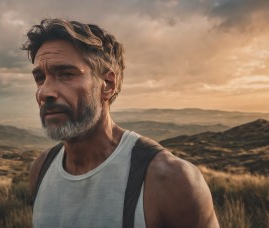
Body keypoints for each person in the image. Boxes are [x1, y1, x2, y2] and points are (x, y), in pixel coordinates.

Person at [22, 18, 219, 228]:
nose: (44, 92)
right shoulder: (42, 169)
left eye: (66, 74)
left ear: (107, 84)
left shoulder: (170, 179)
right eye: (40, 78)